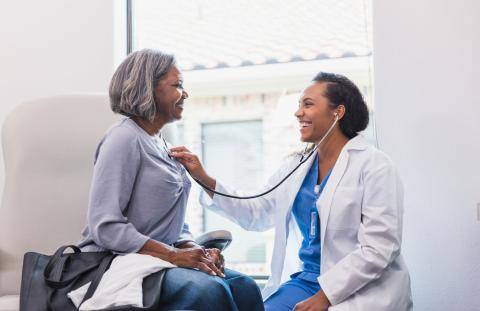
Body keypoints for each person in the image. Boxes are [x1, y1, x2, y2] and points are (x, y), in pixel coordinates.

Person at [170, 72, 413, 310]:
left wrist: (325, 296)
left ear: (338, 112)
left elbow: (380, 248)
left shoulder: (375, 166)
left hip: (362, 288)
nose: (298, 113)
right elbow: (257, 212)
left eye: (308, 104)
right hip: (307, 282)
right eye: (299, 105)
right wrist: (203, 177)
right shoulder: (296, 167)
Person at [78, 49, 264, 311]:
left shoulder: (162, 144)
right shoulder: (123, 138)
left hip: (158, 260)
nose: (185, 94)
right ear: (148, 89)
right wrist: (174, 255)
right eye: (177, 86)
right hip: (117, 260)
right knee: (208, 292)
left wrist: (194, 250)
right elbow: (105, 226)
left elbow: (173, 223)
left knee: (245, 287)